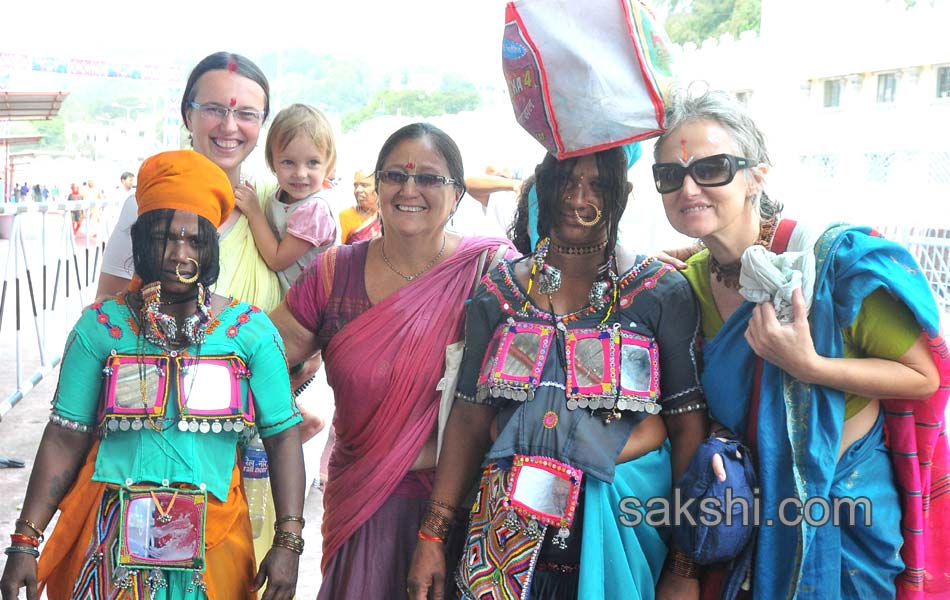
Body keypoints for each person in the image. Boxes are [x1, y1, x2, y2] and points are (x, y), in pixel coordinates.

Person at [652, 89, 948, 599]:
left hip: (846, 502)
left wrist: (810, 366)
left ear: (757, 176)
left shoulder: (828, 262)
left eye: (713, 167)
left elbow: (925, 378)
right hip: (751, 504)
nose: (690, 187)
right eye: (670, 175)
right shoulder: (691, 283)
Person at [0, 150, 306, 600]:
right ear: (141, 241)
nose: (179, 254)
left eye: (195, 240)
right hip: (105, 550)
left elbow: (283, 437)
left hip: (215, 548)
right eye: (165, 237)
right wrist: (25, 541)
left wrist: (288, 543)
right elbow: (64, 437)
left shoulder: (250, 332)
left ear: (210, 248)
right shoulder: (100, 328)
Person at [408, 143, 708, 599]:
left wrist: (684, 566)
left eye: (597, 184)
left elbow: (687, 428)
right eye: (565, 180)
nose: (576, 197)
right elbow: (469, 419)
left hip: (619, 540)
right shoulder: (499, 293)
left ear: (622, 193)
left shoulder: (658, 292)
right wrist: (432, 535)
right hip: (505, 541)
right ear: (542, 183)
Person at [267, 122, 516, 599]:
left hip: (459, 504)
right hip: (361, 503)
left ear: (458, 194)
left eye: (429, 178)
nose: (409, 189)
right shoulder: (334, 273)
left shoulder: (489, 273)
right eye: (395, 176)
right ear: (377, 185)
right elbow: (263, 356)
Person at [97, 51, 282, 315]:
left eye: (246, 114)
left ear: (262, 122)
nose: (229, 126)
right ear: (187, 116)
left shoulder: (276, 204)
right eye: (214, 110)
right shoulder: (145, 207)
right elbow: (107, 314)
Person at [234, 103, 337, 293]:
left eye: (313, 162)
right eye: (288, 162)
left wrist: (254, 212)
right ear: (273, 162)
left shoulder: (315, 210)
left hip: (311, 309)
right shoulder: (280, 193)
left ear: (328, 163)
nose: (300, 173)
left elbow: (276, 259)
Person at [338, 169, 381, 244]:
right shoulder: (345, 216)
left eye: (364, 185)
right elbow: (336, 251)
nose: (358, 190)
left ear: (378, 187)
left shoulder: (387, 215)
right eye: (356, 186)